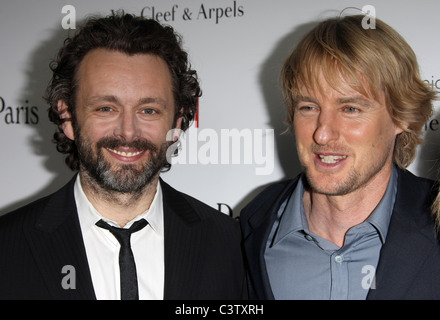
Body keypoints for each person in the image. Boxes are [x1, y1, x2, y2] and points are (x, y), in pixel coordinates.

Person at [0, 12, 246, 300]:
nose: (128, 132)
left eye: (148, 110)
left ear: (177, 122)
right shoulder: (7, 246)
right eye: (106, 108)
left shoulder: (229, 243)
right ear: (67, 117)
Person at [240, 14, 440, 299]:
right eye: (308, 107)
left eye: (350, 109)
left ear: (401, 117)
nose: (322, 134)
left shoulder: (436, 226)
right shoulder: (250, 230)